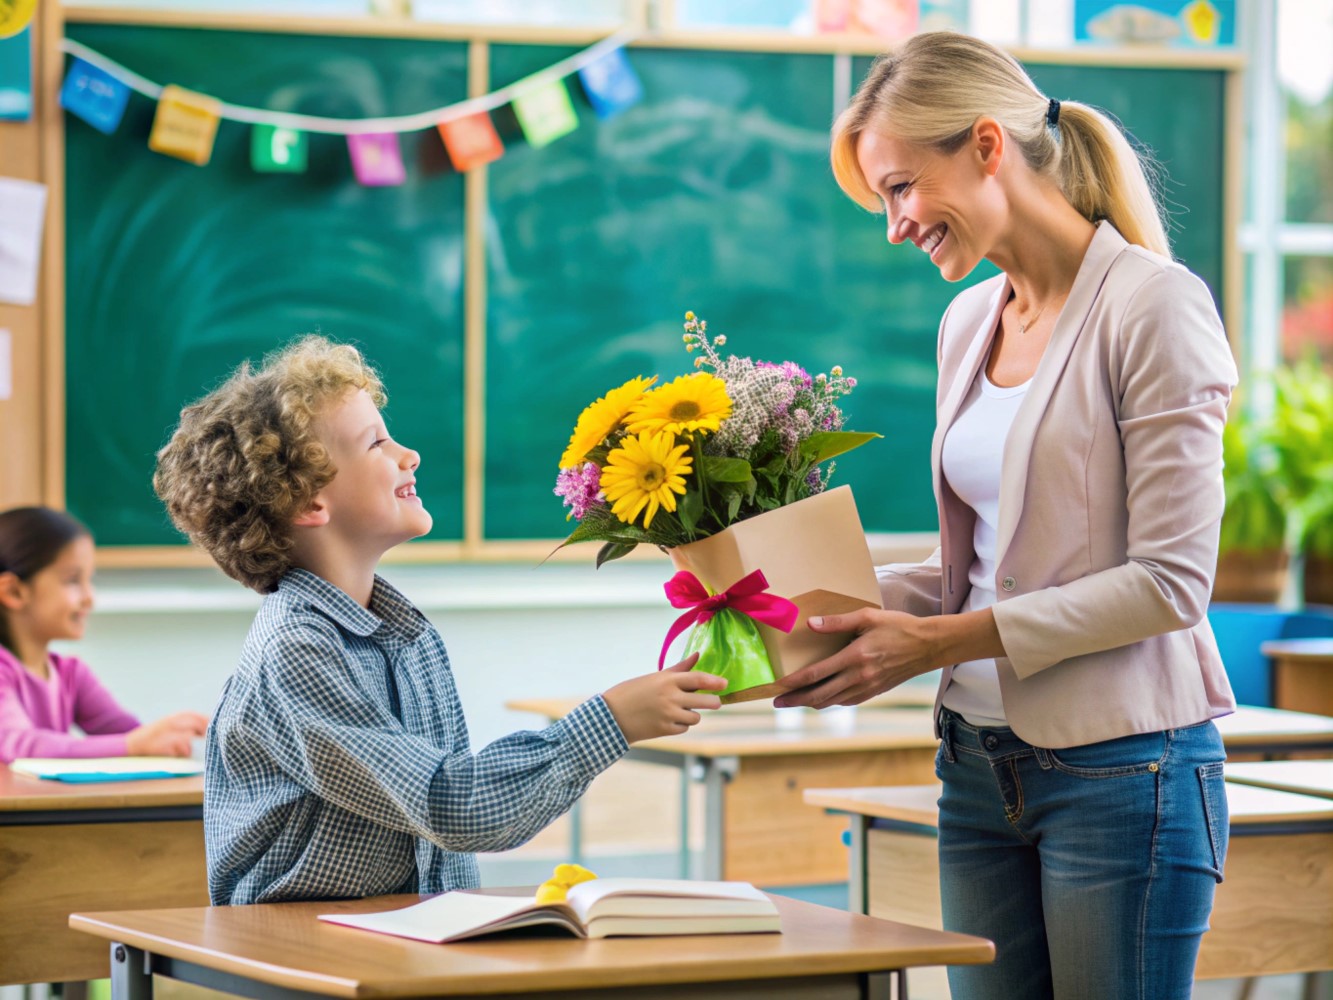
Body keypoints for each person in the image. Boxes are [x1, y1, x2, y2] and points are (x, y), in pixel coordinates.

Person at [773, 31, 1239, 999]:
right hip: (976, 764)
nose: (894, 226)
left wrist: (934, 641)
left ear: (987, 144)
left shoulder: (1152, 306)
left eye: (901, 188)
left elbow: (1170, 584)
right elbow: (982, 567)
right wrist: (802, 606)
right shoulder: (967, 322)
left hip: (1123, 770)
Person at [153, 335, 726, 906]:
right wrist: (611, 721)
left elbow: (441, 840)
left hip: (402, 928)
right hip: (294, 945)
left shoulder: (407, 635)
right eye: (376, 443)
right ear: (308, 503)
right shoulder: (297, 650)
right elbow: (453, 807)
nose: (409, 455)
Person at [0, 506, 209, 763]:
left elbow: (132, 736)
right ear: (14, 592)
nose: (89, 597)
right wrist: (135, 744)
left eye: (89, 580)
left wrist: (166, 737)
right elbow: (19, 746)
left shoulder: (71, 674)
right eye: (73, 580)